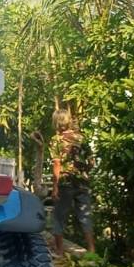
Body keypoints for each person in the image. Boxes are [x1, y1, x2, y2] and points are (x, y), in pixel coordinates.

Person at [50, 109, 95, 256]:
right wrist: (82, 171)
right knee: (85, 215)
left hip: (65, 183)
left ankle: (59, 250)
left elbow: (57, 165)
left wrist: (55, 187)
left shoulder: (56, 140)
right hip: (82, 182)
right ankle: (92, 250)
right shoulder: (82, 138)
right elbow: (92, 162)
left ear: (57, 122)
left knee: (59, 216)